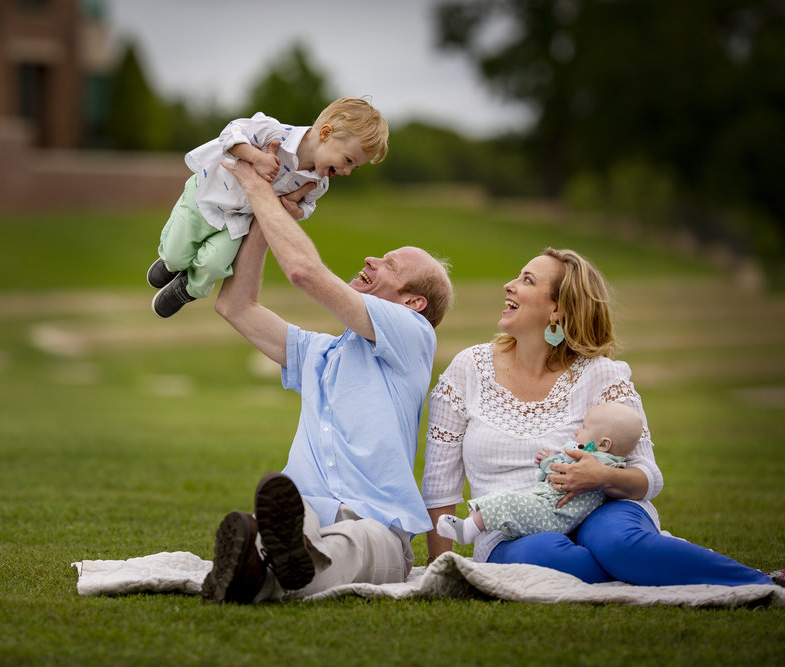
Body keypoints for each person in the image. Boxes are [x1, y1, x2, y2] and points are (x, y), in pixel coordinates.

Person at [421, 247, 772, 586]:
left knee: (618, 544)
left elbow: (649, 476)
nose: (509, 285)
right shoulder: (469, 369)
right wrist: (439, 568)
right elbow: (440, 482)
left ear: (557, 310)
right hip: (510, 532)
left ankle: (762, 583)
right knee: (547, 556)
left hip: (602, 512)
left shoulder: (602, 374)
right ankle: (650, 566)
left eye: (527, 280)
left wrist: (600, 475)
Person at [200, 155, 453, 604]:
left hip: (378, 522)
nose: (372, 259)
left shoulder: (414, 335)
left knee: (363, 543)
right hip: (305, 512)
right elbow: (236, 306)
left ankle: (258, 570)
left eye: (391, 265)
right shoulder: (320, 353)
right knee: (296, 532)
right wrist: (267, 212)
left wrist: (260, 190)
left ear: (413, 302)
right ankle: (268, 561)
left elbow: (304, 273)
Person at [148, 97, 389, 318]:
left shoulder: (318, 183)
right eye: (348, 160)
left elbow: (308, 206)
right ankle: (172, 264)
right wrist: (256, 157)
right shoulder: (274, 133)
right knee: (176, 255)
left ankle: (188, 289)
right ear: (326, 133)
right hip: (206, 197)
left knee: (214, 265)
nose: (346, 171)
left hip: (237, 222)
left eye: (354, 167)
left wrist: (297, 212)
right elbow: (230, 133)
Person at [436, 401, 642, 545]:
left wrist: (548, 460)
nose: (577, 432)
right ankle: (472, 526)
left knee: (506, 500)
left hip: (552, 513)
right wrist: (551, 459)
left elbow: (558, 468)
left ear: (604, 444)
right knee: (509, 502)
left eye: (584, 427)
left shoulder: (593, 460)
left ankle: (468, 530)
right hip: (554, 512)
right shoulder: (608, 462)